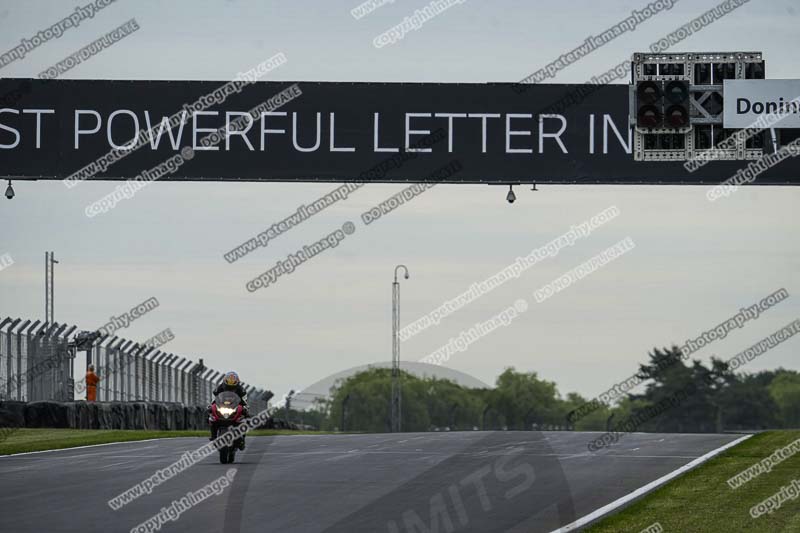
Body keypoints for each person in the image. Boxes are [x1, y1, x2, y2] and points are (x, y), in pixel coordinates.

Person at [210, 371, 249, 449]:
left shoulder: (241, 389)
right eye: (229, 383)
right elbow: (214, 398)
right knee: (211, 418)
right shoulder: (219, 388)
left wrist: (245, 407)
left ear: (237, 381)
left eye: (233, 383)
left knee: (245, 418)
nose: (230, 385)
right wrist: (211, 405)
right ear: (225, 381)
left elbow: (244, 400)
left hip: (235, 407)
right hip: (223, 407)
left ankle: (242, 438)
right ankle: (213, 437)